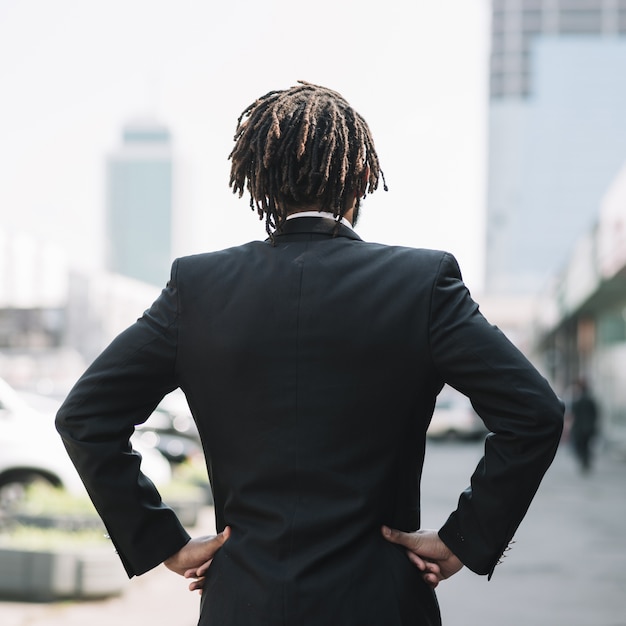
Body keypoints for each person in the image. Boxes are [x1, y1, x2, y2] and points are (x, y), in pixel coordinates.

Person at [56, 81, 564, 626]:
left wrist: (163, 541)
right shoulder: (422, 283)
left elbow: (85, 417)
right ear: (364, 177)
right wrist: (463, 536)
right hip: (381, 602)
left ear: (258, 181)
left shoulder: (197, 288)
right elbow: (534, 413)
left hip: (240, 601)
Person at [569, 378, 599, 473]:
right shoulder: (590, 400)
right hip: (588, 428)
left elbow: (573, 414)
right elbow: (596, 414)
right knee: (586, 445)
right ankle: (585, 461)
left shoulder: (577, 400)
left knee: (581, 446)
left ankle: (584, 461)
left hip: (579, 428)